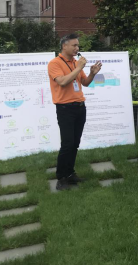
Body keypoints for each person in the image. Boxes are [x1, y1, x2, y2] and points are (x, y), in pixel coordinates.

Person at [48, 34, 102, 191]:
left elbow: (85, 83)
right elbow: (62, 82)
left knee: (75, 143)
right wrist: (79, 68)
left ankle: (70, 173)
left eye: (78, 45)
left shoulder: (75, 63)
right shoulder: (55, 63)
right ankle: (61, 178)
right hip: (65, 109)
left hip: (80, 107)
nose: (77, 48)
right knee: (67, 144)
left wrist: (92, 73)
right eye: (74, 45)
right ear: (64, 46)